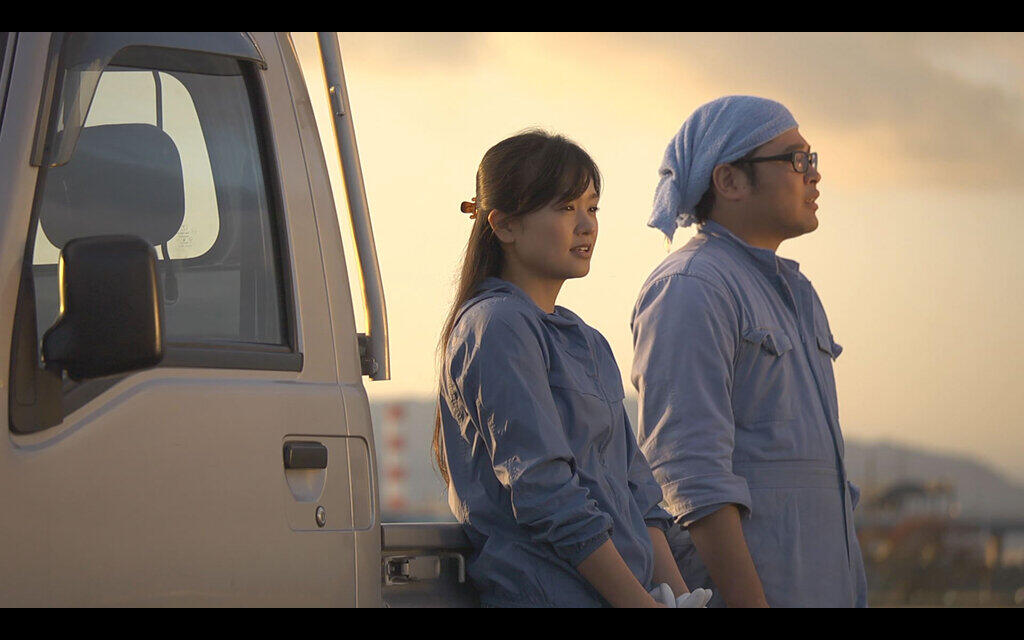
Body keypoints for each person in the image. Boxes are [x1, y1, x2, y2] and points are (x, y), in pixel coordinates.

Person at [433, 130, 694, 607]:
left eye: (592, 208)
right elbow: (544, 490)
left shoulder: (586, 340)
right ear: (504, 225)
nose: (586, 225)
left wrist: (680, 597)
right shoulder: (497, 326)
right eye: (565, 208)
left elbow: (637, 490)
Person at [631, 96, 868, 607]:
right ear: (730, 180)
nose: (814, 175)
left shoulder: (797, 295)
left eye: (812, 159)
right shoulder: (692, 287)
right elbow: (690, 475)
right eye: (797, 160)